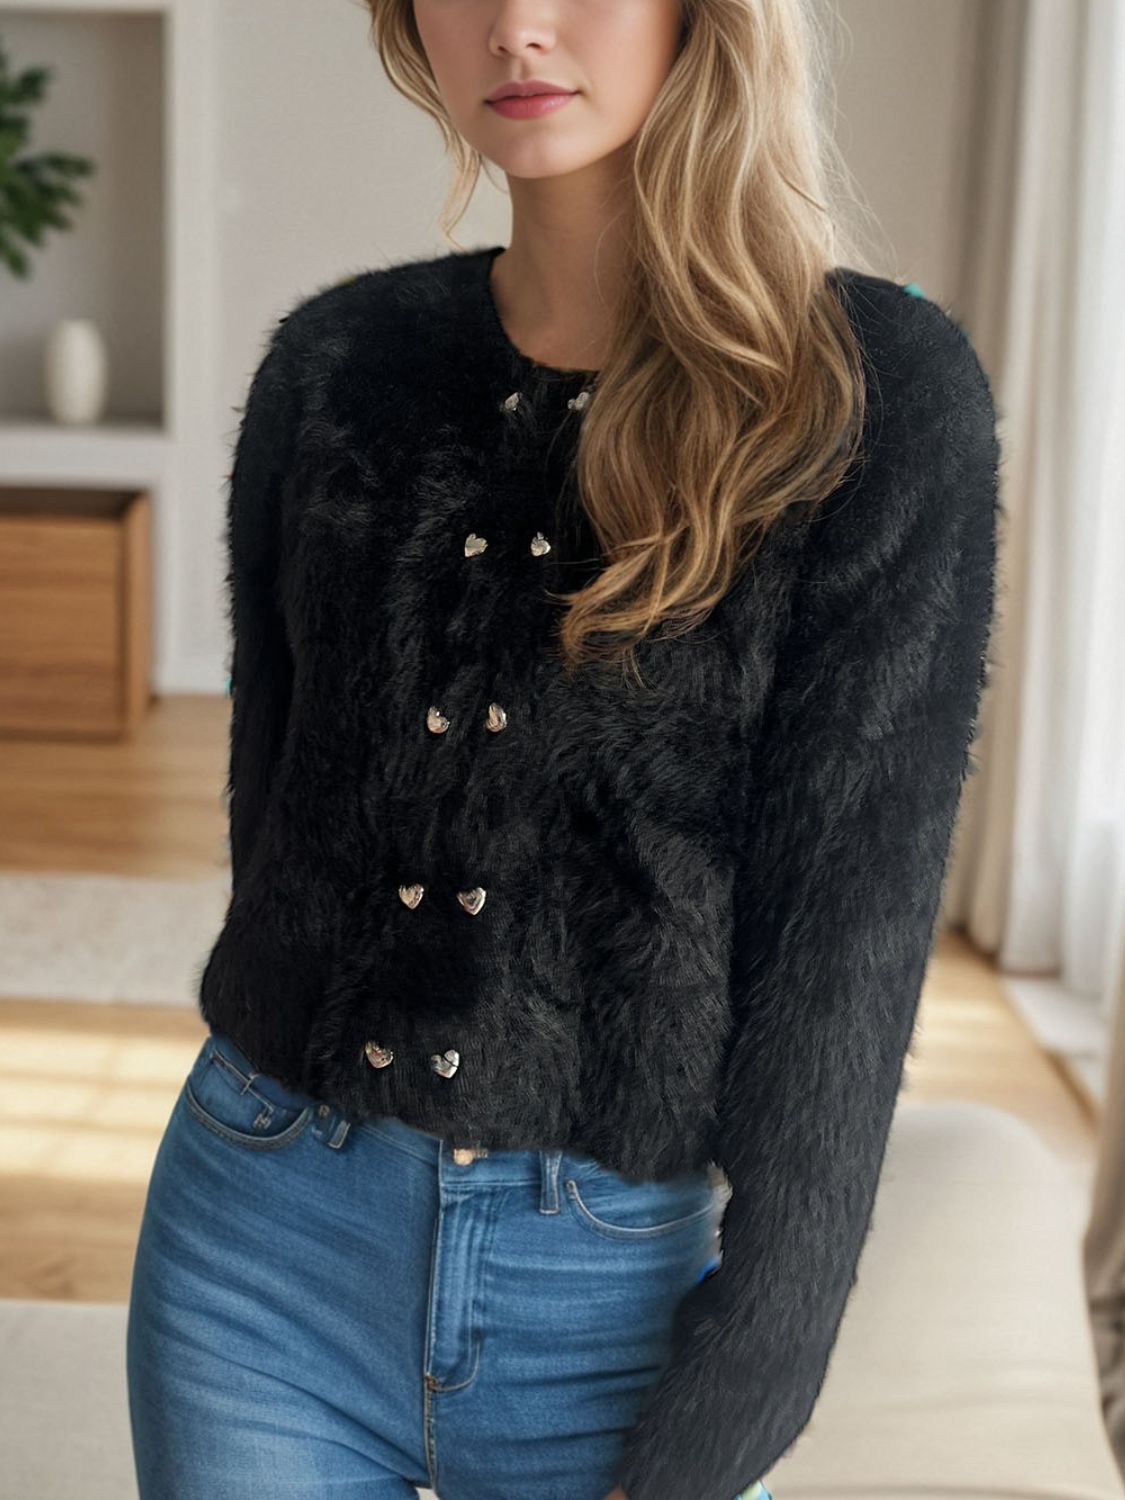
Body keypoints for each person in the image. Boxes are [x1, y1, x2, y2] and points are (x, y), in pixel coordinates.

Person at [125, 2, 1000, 1498]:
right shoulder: (334, 366)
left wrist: (751, 1381)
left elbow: (847, 943)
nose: (518, 26)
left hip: (612, 1311)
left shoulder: (872, 401)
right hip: (254, 1256)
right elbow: (275, 815)